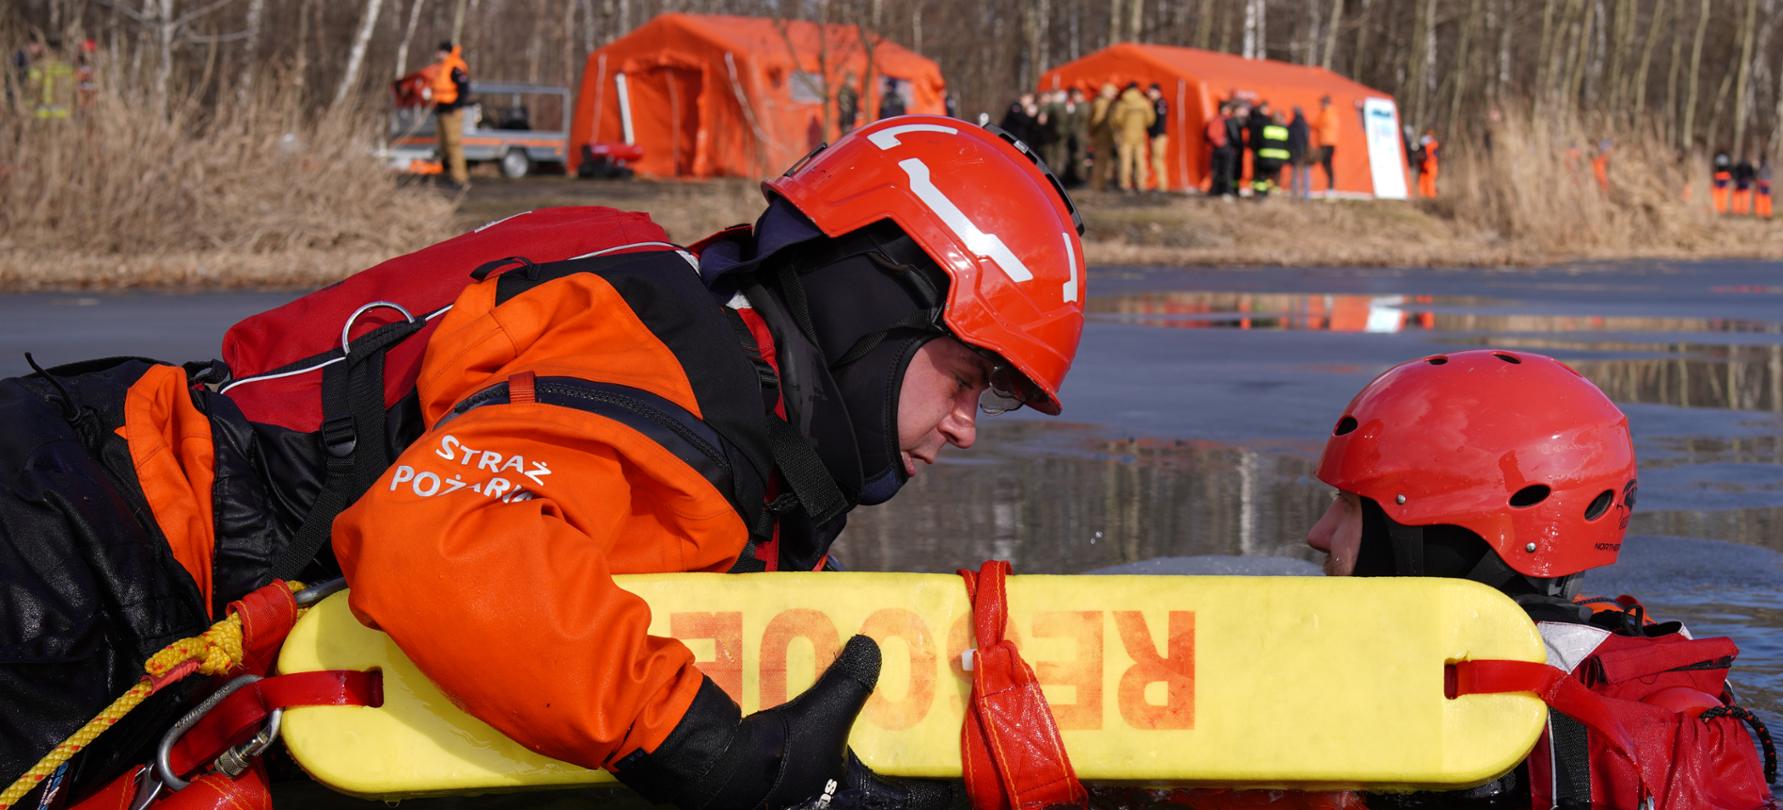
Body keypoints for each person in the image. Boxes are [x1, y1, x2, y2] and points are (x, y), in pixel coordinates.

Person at [0, 116, 1086, 810]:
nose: (966, 427)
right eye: (967, 378)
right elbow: (437, 540)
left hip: (104, 515)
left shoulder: (725, 389)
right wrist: (703, 748)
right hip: (75, 546)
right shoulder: (671, 370)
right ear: (873, 313)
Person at [1307, 349, 1775, 809]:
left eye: (1348, 505)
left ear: (1443, 535)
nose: (1319, 535)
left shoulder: (1467, 715)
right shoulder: (1614, 660)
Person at [424, 40, 472, 188]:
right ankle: (448, 175)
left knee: (453, 145)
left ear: (446, 52)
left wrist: (454, 106)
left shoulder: (455, 67)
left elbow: (464, 89)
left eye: (440, 52)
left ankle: (460, 179)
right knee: (444, 146)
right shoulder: (441, 67)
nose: (438, 54)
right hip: (442, 110)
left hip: (451, 112)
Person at [1112, 83, 1156, 192]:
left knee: (1125, 161)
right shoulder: (1144, 103)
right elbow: (1150, 119)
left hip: (1125, 136)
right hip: (1140, 136)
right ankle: (1141, 185)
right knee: (1140, 161)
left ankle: (1125, 184)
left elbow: (1117, 120)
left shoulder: (1122, 103)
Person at [25, 34, 75, 120]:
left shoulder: (38, 67)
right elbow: (73, 91)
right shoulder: (68, 68)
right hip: (64, 114)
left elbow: (32, 90)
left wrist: (28, 108)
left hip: (42, 114)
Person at [1249, 101, 1290, 198]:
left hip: (1264, 158)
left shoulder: (1265, 127)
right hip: (1279, 160)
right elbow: (1287, 144)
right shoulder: (1284, 130)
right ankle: (1274, 197)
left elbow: (1258, 141)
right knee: (1275, 178)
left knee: (1262, 178)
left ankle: (1261, 196)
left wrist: (1255, 151)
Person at [1088, 83, 1119, 192]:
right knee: (1101, 161)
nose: (1114, 95)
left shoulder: (1105, 103)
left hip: (1105, 136)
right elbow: (1097, 120)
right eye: (1112, 93)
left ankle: (1101, 183)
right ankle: (1098, 184)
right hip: (1102, 136)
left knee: (1104, 161)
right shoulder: (1102, 103)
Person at [1311, 94, 1341, 190]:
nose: (1320, 105)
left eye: (1321, 103)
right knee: (1326, 163)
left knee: (1326, 163)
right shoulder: (1331, 112)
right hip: (1327, 142)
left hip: (1327, 142)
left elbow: (1317, 124)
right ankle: (1330, 185)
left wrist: (1310, 125)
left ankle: (1331, 186)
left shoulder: (1327, 113)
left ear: (1325, 103)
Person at [1146, 83, 1170, 192]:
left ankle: (1162, 185)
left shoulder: (1160, 103)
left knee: (1157, 160)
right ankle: (1159, 184)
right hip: (1157, 135)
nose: (1149, 93)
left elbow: (1161, 121)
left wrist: (1155, 136)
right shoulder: (1154, 103)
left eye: (1151, 91)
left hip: (1159, 136)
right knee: (1155, 160)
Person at [1287, 106, 1312, 199]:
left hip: (1294, 154)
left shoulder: (1291, 126)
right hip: (1304, 153)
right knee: (1306, 176)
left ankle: (1295, 196)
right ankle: (1306, 197)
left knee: (1295, 175)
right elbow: (1307, 140)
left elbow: (1289, 140)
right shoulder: (1305, 125)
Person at [1416, 130, 1439, 199]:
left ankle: (1429, 196)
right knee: (1425, 180)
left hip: (1428, 165)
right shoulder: (1433, 143)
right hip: (1427, 165)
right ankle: (1427, 196)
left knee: (1428, 181)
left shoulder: (1428, 143)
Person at [1711, 149, 1733, 214]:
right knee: (1723, 195)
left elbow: (1715, 168)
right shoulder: (1726, 158)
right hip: (1724, 177)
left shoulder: (1717, 158)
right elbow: (1729, 168)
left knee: (1718, 195)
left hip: (1718, 177)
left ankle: (1717, 208)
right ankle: (1722, 209)